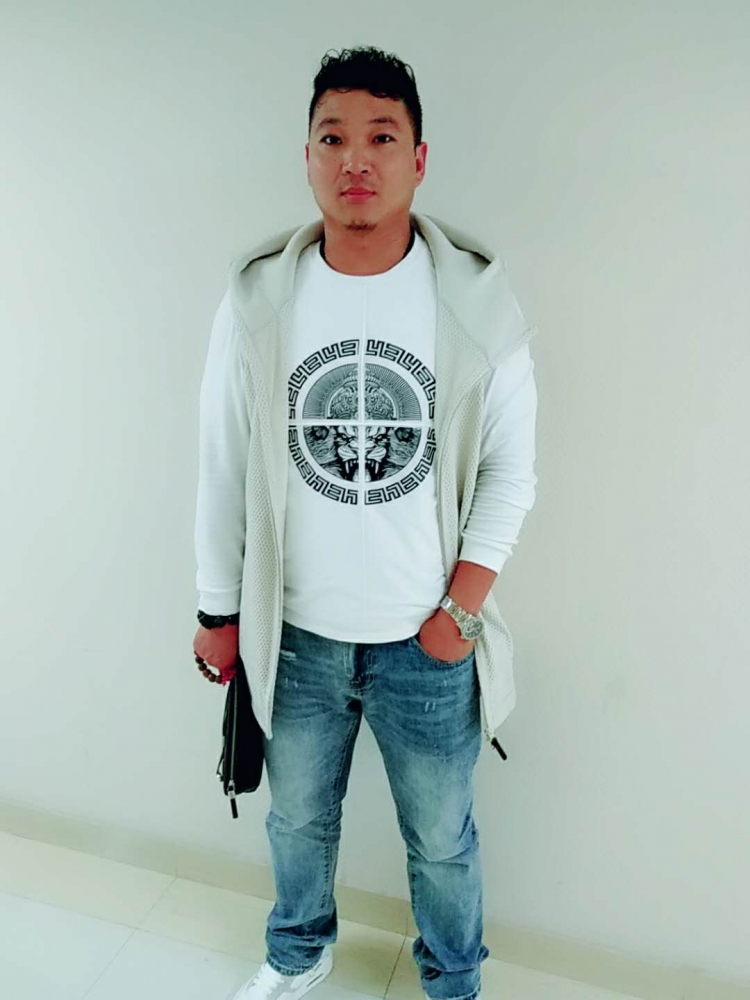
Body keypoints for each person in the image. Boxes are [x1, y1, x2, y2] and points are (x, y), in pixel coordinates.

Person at [193, 45, 538, 1000]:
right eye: (333, 138)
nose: (356, 159)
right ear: (306, 157)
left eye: (382, 138)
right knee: (297, 822)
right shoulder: (257, 298)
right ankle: (297, 951)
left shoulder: (476, 301)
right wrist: (217, 610)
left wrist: (458, 617)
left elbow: (512, 472)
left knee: (442, 838)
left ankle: (454, 980)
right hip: (295, 635)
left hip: (427, 643)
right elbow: (222, 461)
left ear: (418, 159)